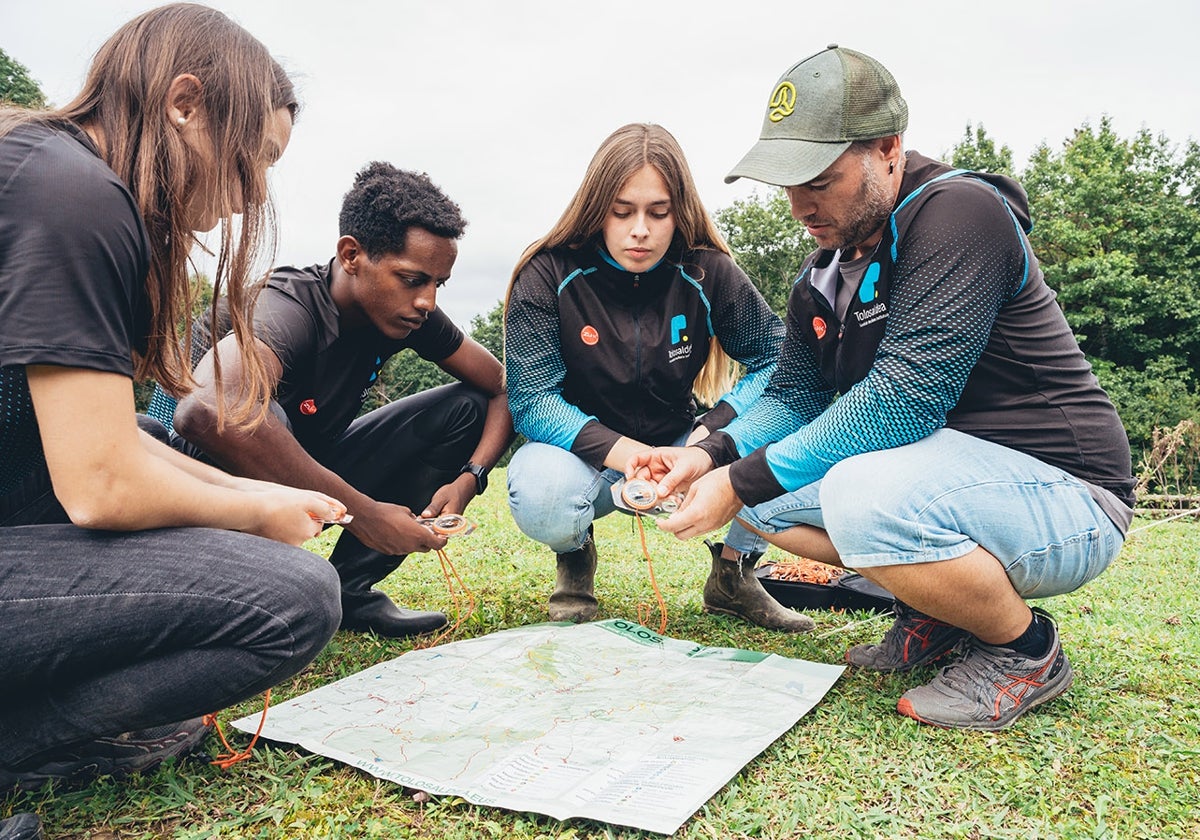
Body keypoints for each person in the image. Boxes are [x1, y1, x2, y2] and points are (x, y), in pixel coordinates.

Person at [629, 45, 1135, 731]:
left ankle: (1025, 652)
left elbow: (902, 399)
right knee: (767, 504)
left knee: (851, 492)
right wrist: (711, 458)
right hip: (955, 482)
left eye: (820, 178)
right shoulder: (821, 272)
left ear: (889, 148)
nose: (799, 204)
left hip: (1066, 493)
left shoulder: (959, 214)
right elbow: (792, 399)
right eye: (787, 181)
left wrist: (742, 480)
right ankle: (938, 617)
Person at [0, 5, 343, 835]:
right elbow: (101, 484)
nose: (253, 188)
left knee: (159, 443)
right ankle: (23, 737)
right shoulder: (72, 196)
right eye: (251, 158)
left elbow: (115, 439)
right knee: (297, 596)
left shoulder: (47, 166)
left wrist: (226, 486)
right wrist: (256, 509)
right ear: (184, 105)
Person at [152, 162, 514, 639]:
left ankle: (349, 591)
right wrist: (366, 516)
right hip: (193, 493)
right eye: (412, 279)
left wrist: (472, 477)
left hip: (305, 469)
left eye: (437, 284)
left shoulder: (410, 316)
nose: (426, 301)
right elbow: (208, 412)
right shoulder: (287, 308)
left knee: (465, 406)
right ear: (351, 255)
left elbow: (503, 387)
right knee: (261, 413)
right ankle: (240, 600)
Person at [503, 123, 804, 630]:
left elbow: (780, 363)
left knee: (785, 432)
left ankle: (733, 575)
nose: (639, 229)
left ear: (679, 212)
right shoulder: (548, 271)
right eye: (622, 212)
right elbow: (533, 399)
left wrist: (712, 434)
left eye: (657, 212)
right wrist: (625, 453)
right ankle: (575, 558)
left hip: (682, 445)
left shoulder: (710, 272)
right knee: (543, 493)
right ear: (596, 207)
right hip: (585, 454)